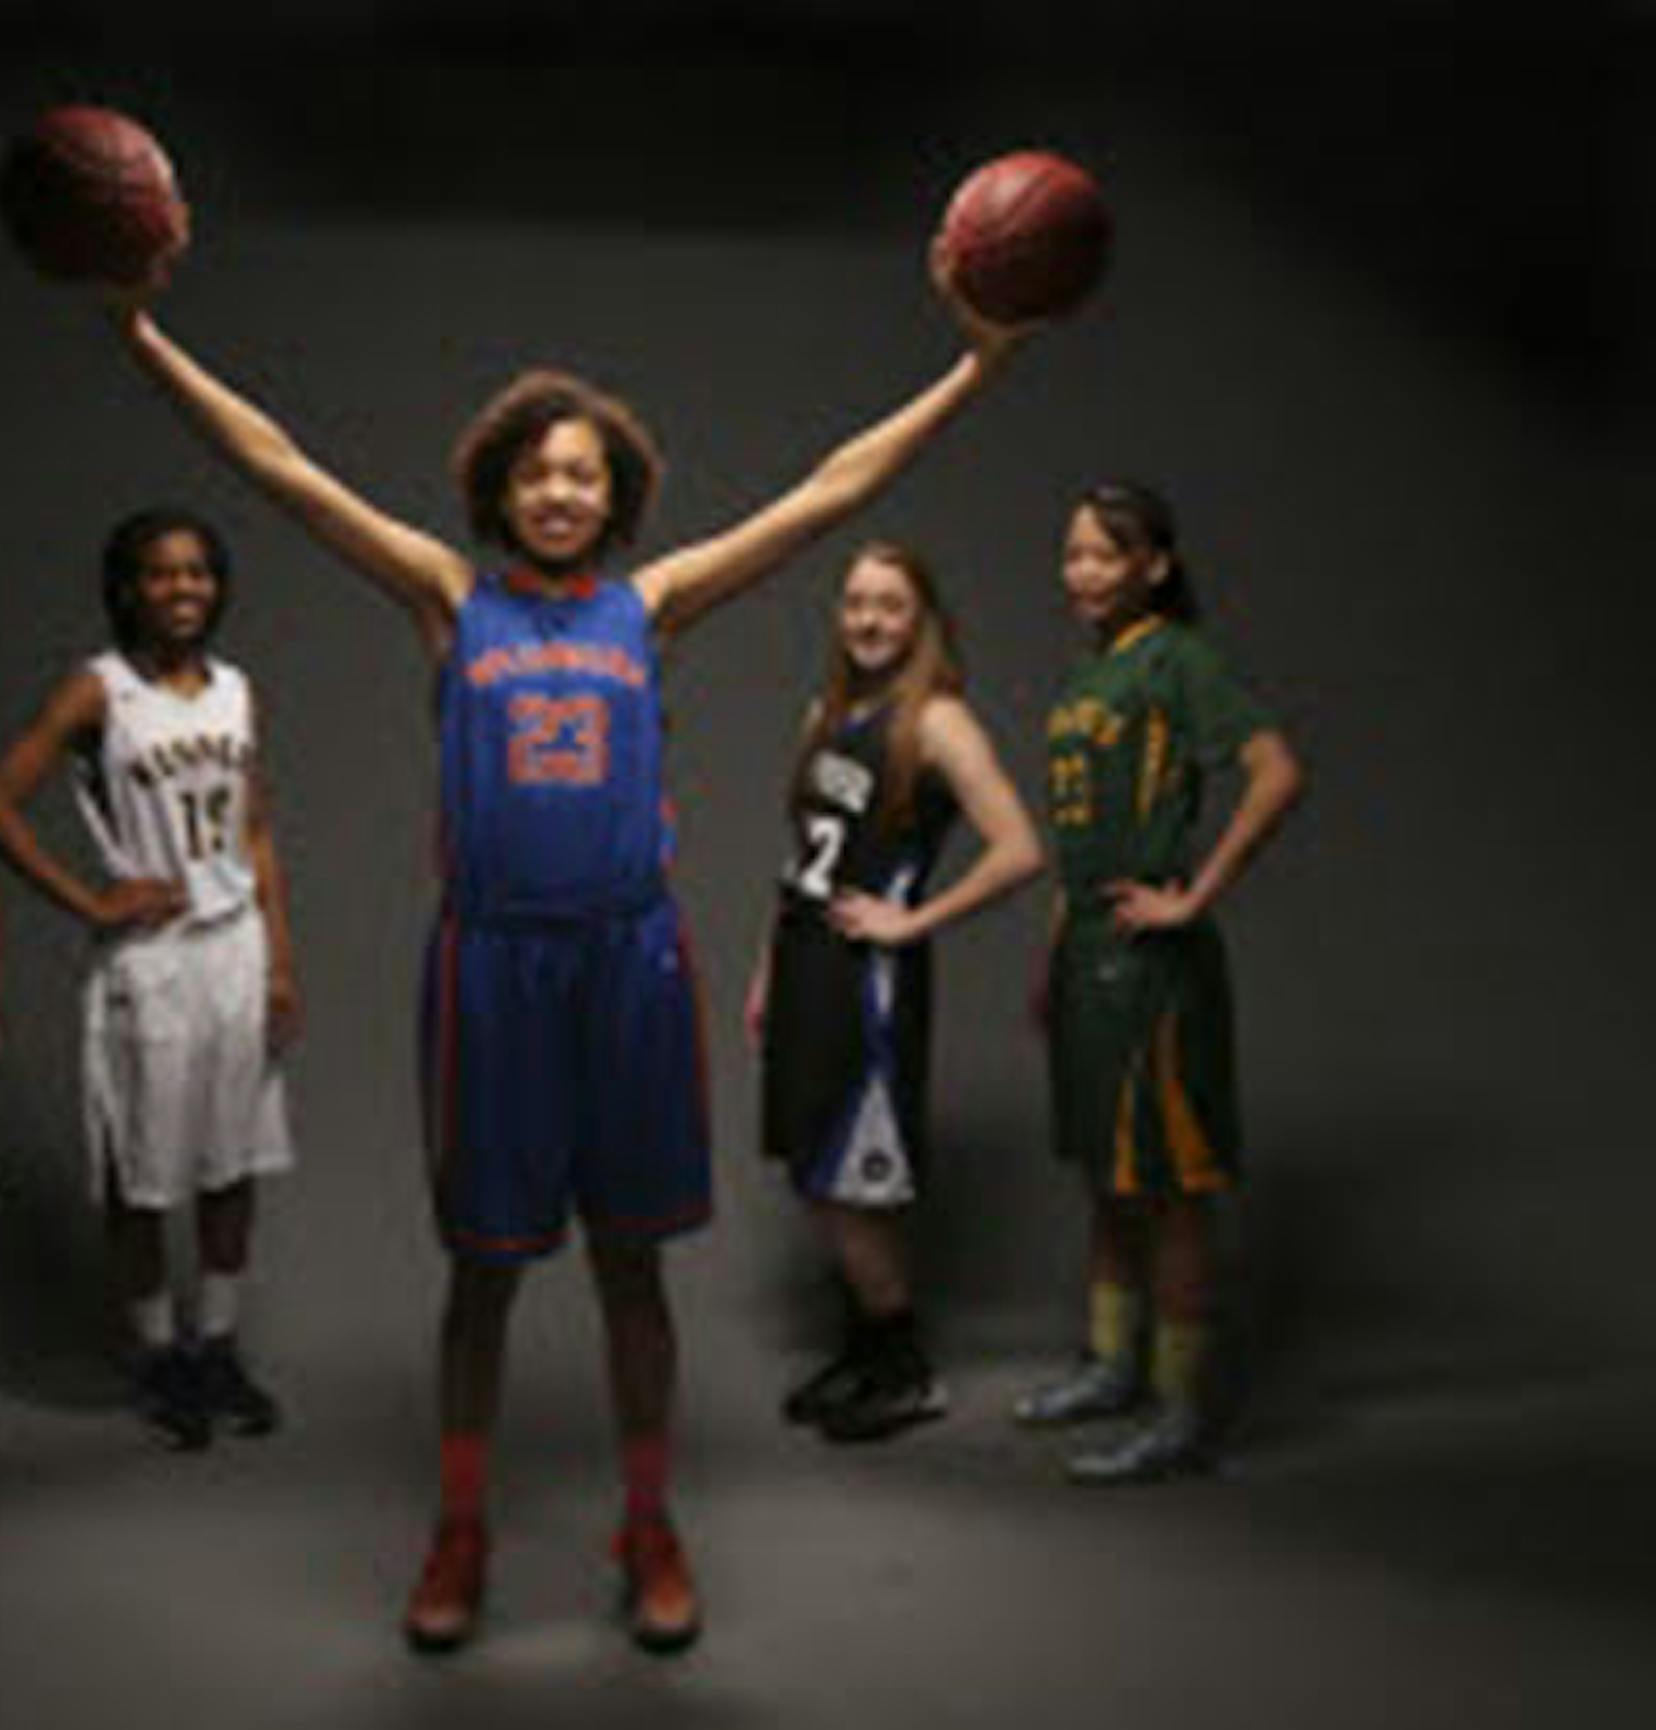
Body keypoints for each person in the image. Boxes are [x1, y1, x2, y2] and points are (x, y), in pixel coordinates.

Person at [98, 261, 1031, 1652]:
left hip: (628, 963)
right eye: (536, 472)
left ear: (618, 493)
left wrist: (980, 366)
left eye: (583, 474)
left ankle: (649, 1522)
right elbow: (283, 468)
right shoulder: (442, 595)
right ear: (498, 489)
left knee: (631, 1268)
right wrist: (137, 332)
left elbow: (827, 492)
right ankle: (460, 1529)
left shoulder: (648, 605)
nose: (558, 492)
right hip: (492, 970)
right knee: (480, 1272)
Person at [0, 508, 298, 1451]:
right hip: (153, 960)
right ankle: (159, 1353)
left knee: (233, 1161)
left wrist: (281, 955)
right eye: (162, 575)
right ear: (127, 587)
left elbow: (257, 828)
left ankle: (220, 1346)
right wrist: (88, 896)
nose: (184, 590)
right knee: (145, 1173)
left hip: (234, 943)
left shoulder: (236, 690)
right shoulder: (100, 690)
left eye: (198, 573)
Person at [1013, 481, 1303, 1484]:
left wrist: (1194, 897)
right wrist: (1053, 945)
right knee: (1108, 1170)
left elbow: (1274, 770)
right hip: (1088, 948)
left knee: (1172, 1188)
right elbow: (1075, 845)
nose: (1082, 571)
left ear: (1155, 565)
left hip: (1154, 965)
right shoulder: (1092, 674)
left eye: (1104, 553)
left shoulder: (1180, 659)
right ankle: (1108, 1365)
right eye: (1073, 553)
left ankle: (1180, 1410)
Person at [748, 541, 1042, 1444]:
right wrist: (767, 967)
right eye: (855, 604)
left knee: (849, 1176)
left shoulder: (939, 721)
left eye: (889, 606)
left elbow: (1019, 849)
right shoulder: (825, 713)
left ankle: (904, 1366)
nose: (869, 621)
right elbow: (801, 858)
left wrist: (915, 922)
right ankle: (863, 1352)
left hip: (868, 978)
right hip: (806, 961)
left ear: (921, 622)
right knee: (811, 1167)